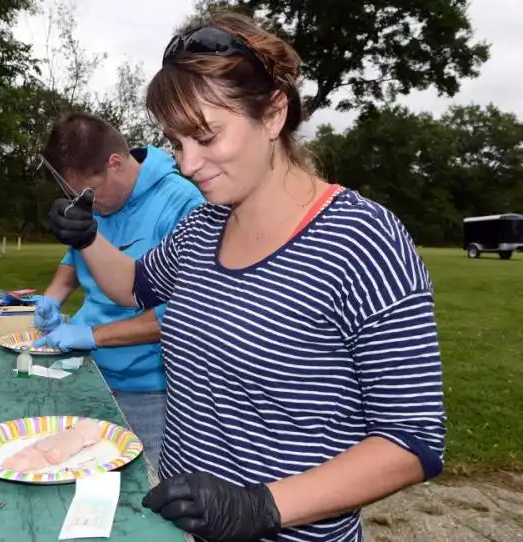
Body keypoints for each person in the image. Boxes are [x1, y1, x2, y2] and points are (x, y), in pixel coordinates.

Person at [44, 12, 446, 542]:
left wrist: (262, 507)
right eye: (176, 141)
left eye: (205, 137)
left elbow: (411, 439)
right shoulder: (203, 226)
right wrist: (88, 238)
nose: (187, 164)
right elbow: (132, 287)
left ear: (274, 114)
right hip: (185, 524)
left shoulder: (362, 238)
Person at [32, 112, 204, 461]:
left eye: (86, 194)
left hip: (152, 391)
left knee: (144, 494)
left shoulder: (183, 204)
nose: (87, 205)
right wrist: (52, 298)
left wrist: (94, 335)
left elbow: (185, 313)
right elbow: (75, 258)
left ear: (115, 164)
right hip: (89, 372)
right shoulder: (98, 199)